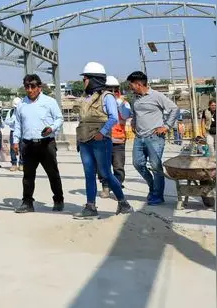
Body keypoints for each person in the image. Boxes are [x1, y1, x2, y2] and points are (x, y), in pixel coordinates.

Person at [74, 62, 133, 219]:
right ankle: (90, 207)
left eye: (85, 78)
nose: (84, 81)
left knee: (106, 173)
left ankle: (123, 203)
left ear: (94, 79)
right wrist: (79, 140)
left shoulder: (107, 97)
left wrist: (102, 132)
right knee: (89, 174)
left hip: (100, 141)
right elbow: (82, 120)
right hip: (85, 141)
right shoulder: (85, 98)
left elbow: (113, 118)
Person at [12, 74, 65, 213]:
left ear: (39, 87)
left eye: (33, 86)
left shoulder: (50, 102)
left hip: (46, 143)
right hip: (28, 144)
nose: (30, 90)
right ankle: (27, 202)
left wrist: (51, 128)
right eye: (27, 86)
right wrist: (15, 141)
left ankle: (58, 200)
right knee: (28, 176)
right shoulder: (21, 104)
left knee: (53, 174)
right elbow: (17, 124)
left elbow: (59, 118)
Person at [126, 70, 179, 205]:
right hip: (139, 137)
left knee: (155, 166)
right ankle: (153, 187)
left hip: (155, 137)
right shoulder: (135, 98)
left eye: (131, 85)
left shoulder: (156, 96)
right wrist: (134, 121)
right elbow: (135, 113)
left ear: (138, 84)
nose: (130, 87)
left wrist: (166, 126)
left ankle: (157, 195)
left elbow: (174, 109)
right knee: (137, 164)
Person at [97, 75, 132, 199]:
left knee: (118, 167)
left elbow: (125, 115)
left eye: (115, 90)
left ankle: (117, 187)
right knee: (102, 166)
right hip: (103, 139)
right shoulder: (100, 103)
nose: (113, 93)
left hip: (118, 140)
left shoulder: (124, 103)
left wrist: (118, 104)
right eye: (109, 90)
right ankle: (105, 187)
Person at [6, 96, 23, 171]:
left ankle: (22, 163)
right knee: (13, 148)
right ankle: (14, 164)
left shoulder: (24, 111)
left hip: (22, 132)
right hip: (13, 131)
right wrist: (12, 121)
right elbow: (6, 121)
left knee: (22, 148)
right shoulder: (11, 111)